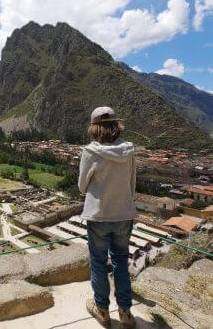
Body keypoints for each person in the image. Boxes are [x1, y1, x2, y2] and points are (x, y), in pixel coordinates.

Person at [78, 107, 137, 329]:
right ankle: (125, 313)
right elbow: (132, 184)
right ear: (116, 125)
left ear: (94, 127)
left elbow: (82, 187)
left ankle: (102, 309)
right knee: (121, 261)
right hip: (124, 214)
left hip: (99, 215)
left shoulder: (91, 151)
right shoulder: (129, 149)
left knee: (99, 263)